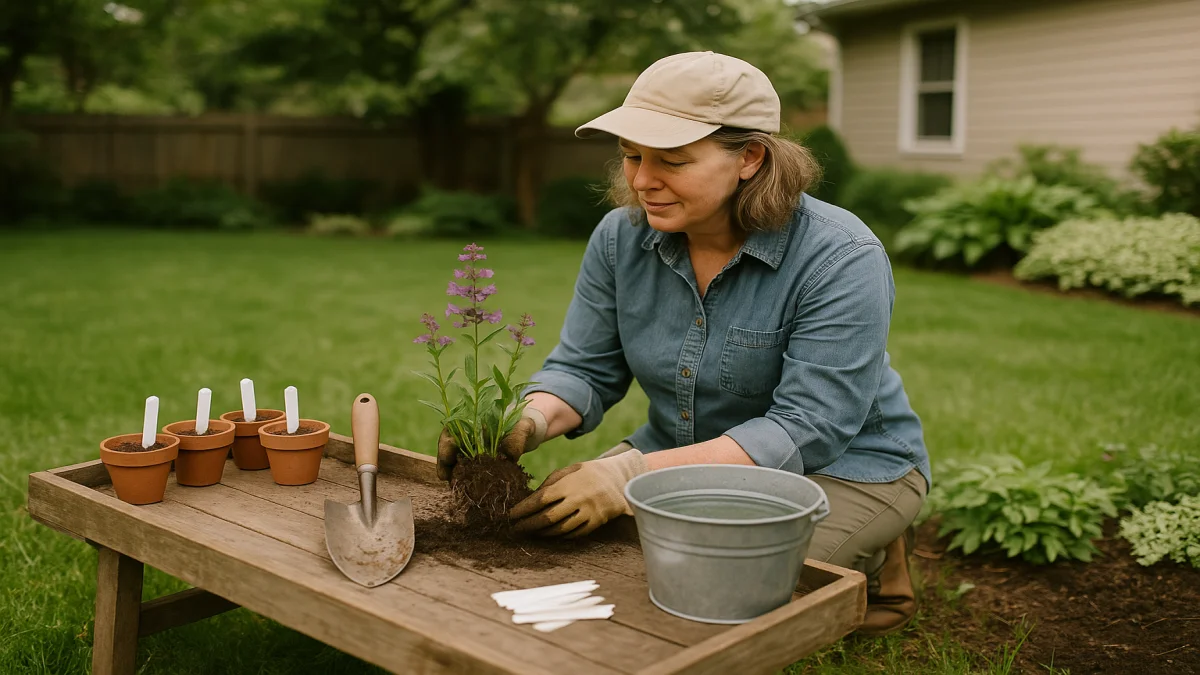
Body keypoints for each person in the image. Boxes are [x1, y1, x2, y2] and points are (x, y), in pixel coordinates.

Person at [436, 51, 931, 637]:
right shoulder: (621, 239)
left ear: (750, 158)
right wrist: (523, 420)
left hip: (844, 466)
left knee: (710, 586)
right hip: (684, 448)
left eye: (671, 159)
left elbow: (809, 425)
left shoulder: (840, 256)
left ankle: (878, 553)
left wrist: (626, 478)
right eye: (631, 155)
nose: (643, 179)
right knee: (579, 540)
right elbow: (586, 367)